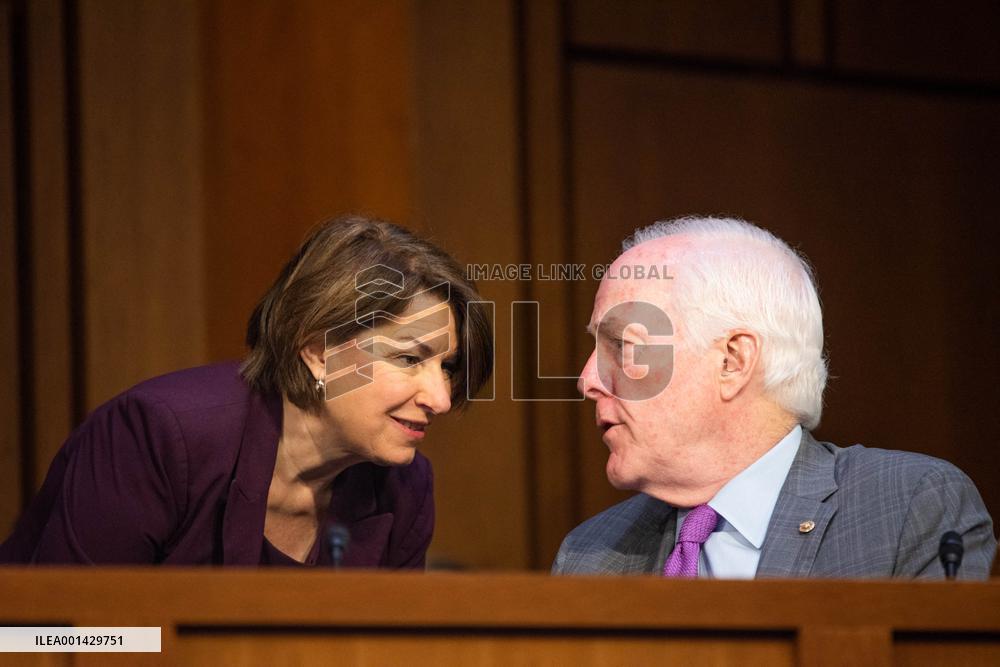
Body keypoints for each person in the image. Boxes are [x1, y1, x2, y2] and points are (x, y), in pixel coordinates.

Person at [0, 215, 492, 567]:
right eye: (408, 358)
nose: (441, 398)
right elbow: (64, 636)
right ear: (318, 351)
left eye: (446, 366)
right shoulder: (159, 435)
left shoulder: (404, 488)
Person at [553, 216, 996, 579]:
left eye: (624, 347)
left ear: (733, 361)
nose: (588, 379)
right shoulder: (591, 556)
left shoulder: (905, 507)